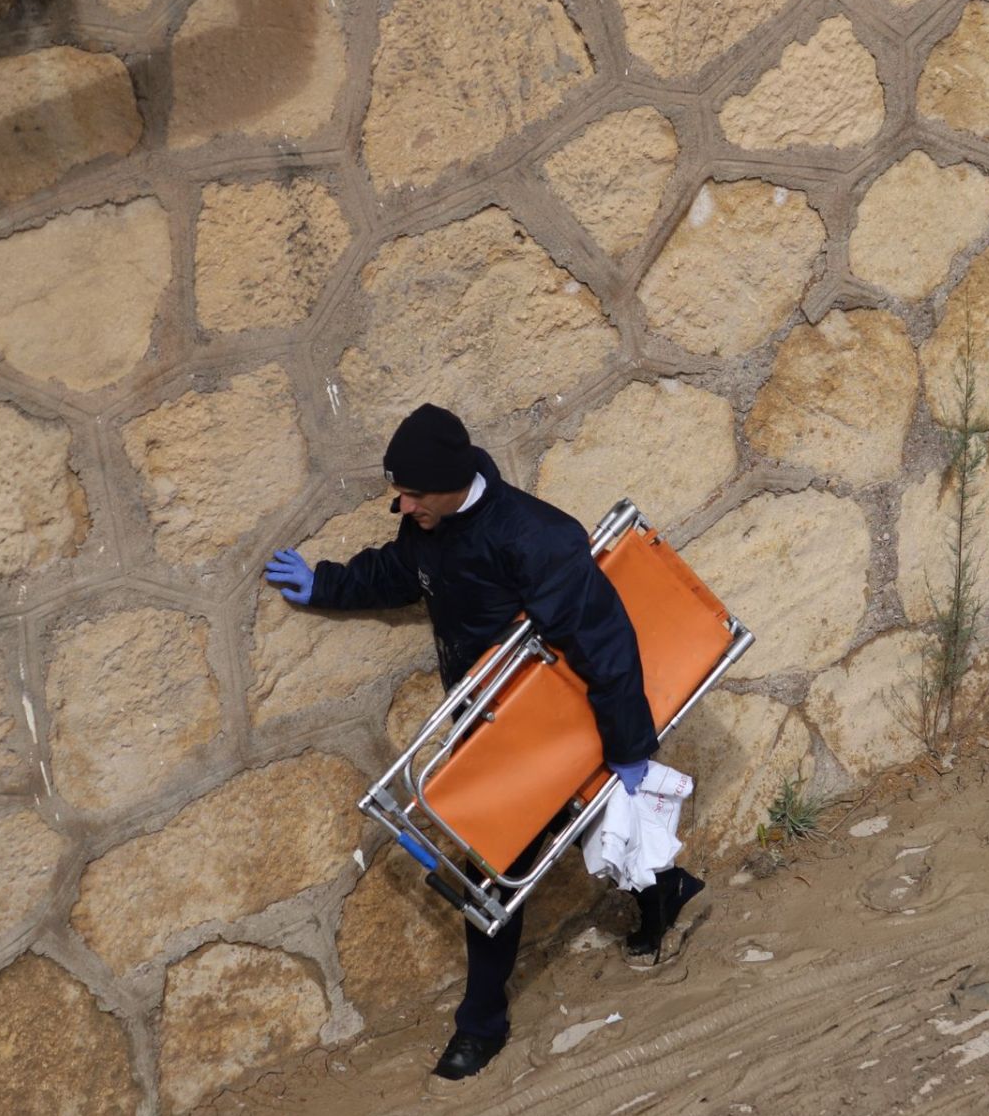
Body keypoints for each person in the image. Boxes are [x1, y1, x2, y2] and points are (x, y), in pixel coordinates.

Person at [264, 403, 705, 1081]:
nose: (403, 507)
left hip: (545, 723)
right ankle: (665, 889)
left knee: (496, 864)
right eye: (400, 494)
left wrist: (628, 747)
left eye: (413, 494)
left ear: (450, 481)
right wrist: (326, 582)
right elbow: (397, 573)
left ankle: (481, 1021)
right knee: (583, 824)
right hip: (489, 715)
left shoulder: (535, 537)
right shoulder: (430, 524)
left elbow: (604, 641)